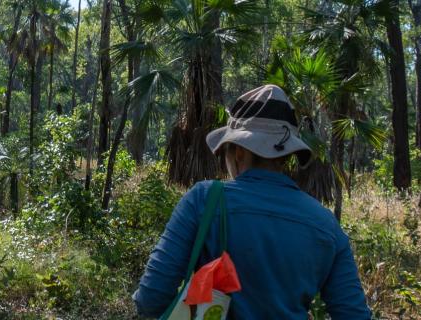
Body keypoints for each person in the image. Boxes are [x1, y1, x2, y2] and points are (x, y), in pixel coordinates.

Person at [133, 85, 371, 319]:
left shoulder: (203, 200)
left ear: (238, 152)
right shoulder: (326, 224)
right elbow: (354, 314)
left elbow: (151, 300)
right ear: (286, 155)